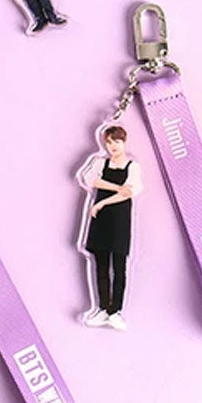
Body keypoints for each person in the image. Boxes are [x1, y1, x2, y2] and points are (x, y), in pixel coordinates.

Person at [78, 125, 144, 331]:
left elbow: (130, 192)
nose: (113, 146)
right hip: (101, 220)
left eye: (117, 141)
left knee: (119, 266)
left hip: (119, 220)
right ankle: (103, 309)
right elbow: (90, 179)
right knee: (101, 266)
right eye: (109, 142)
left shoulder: (133, 166)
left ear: (124, 142)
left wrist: (102, 203)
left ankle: (115, 312)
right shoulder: (100, 162)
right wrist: (117, 187)